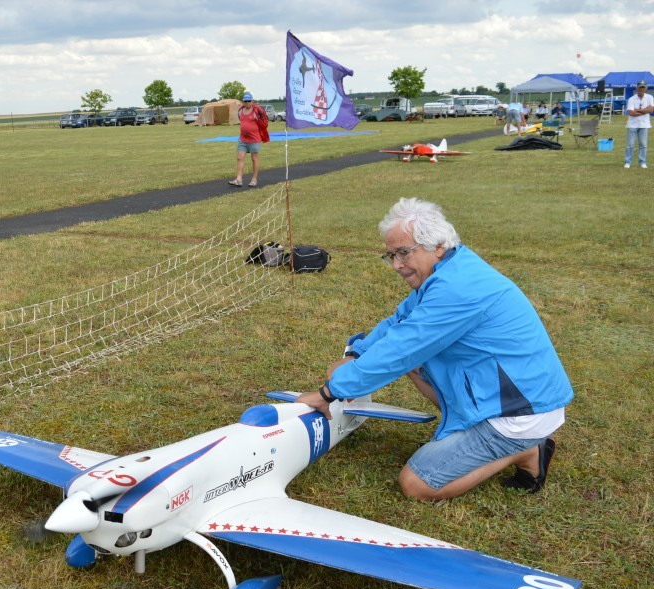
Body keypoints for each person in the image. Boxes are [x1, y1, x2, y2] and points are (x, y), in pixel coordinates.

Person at [297, 198, 573, 503]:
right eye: (391, 255)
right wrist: (356, 355)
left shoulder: (457, 287)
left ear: (438, 246)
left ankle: (524, 450)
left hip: (520, 411)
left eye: (404, 253)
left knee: (418, 485)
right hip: (509, 393)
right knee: (415, 362)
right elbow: (400, 322)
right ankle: (499, 438)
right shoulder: (449, 269)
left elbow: (400, 350)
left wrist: (328, 393)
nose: (397, 265)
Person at [228, 92, 268, 188]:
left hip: (254, 139)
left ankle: (254, 180)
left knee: (254, 159)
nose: (247, 103)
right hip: (243, 139)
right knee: (240, 157)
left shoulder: (256, 112)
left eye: (249, 101)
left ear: (252, 101)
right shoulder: (240, 111)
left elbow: (263, 124)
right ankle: (239, 179)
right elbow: (241, 120)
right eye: (245, 101)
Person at [624, 80, 652, 169]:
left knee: (643, 144)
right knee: (630, 145)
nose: (641, 89)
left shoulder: (650, 97)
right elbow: (631, 113)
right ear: (637, 88)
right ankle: (628, 162)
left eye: (643, 87)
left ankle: (642, 162)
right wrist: (645, 111)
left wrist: (638, 110)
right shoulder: (631, 99)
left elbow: (650, 110)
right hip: (632, 124)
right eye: (640, 87)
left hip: (644, 124)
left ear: (646, 88)